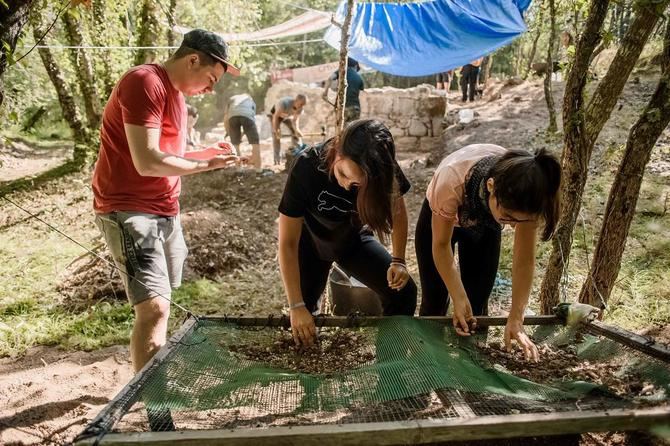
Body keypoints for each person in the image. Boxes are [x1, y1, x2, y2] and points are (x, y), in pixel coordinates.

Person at [92, 29, 243, 376]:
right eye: (210, 78)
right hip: (129, 208)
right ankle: (155, 408)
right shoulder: (144, 82)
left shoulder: (176, 97)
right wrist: (205, 166)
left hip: (165, 210)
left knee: (163, 300)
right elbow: (147, 161)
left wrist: (206, 154)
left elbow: (169, 155)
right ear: (192, 59)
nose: (211, 89)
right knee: (154, 308)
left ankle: (149, 373)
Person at [415, 144, 561, 361]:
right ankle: (428, 361)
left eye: (519, 221)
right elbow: (441, 246)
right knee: (435, 298)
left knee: (476, 303)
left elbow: (524, 261)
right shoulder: (450, 180)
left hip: (486, 225)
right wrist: (457, 295)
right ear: (491, 187)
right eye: (509, 218)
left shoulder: (528, 196)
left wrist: (516, 316)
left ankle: (470, 365)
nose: (513, 226)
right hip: (440, 222)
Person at [278, 119, 417, 347]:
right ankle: (310, 379)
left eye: (357, 185)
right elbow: (288, 242)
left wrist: (399, 260)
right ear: (338, 150)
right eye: (343, 174)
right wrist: (296, 306)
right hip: (309, 242)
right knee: (304, 318)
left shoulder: (383, 167)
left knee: (404, 293)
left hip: (352, 241)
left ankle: (390, 374)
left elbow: (398, 212)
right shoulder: (305, 166)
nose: (347, 185)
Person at [322, 57, 365, 123]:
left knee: (343, 129)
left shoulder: (342, 71)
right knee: (353, 129)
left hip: (343, 107)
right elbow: (361, 91)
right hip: (355, 108)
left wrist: (325, 93)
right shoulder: (359, 77)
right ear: (355, 66)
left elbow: (330, 78)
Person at [225, 93, 261, 168]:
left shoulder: (232, 98)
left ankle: (238, 170)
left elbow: (226, 117)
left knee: (235, 145)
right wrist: (244, 133)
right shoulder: (250, 100)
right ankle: (258, 170)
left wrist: (228, 132)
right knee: (255, 144)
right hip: (247, 117)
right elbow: (250, 119)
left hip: (232, 116)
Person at [270, 94, 307, 165]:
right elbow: (276, 117)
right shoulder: (284, 103)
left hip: (286, 117)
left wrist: (297, 130)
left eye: (303, 105)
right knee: (276, 136)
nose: (302, 107)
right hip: (274, 116)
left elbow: (295, 121)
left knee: (294, 132)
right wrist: (276, 130)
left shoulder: (300, 108)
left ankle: (297, 153)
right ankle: (276, 159)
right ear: (296, 100)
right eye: (301, 104)